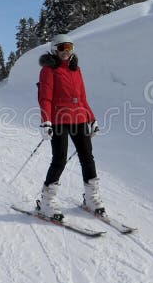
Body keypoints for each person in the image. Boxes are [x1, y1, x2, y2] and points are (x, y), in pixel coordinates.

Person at [36, 34, 103, 221]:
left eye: (70, 48)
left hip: (80, 118)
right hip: (58, 119)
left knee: (87, 157)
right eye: (62, 48)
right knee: (60, 159)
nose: (66, 52)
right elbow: (45, 98)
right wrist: (46, 121)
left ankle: (91, 198)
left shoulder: (76, 70)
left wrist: (92, 119)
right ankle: (47, 201)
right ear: (54, 49)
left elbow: (82, 98)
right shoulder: (49, 70)